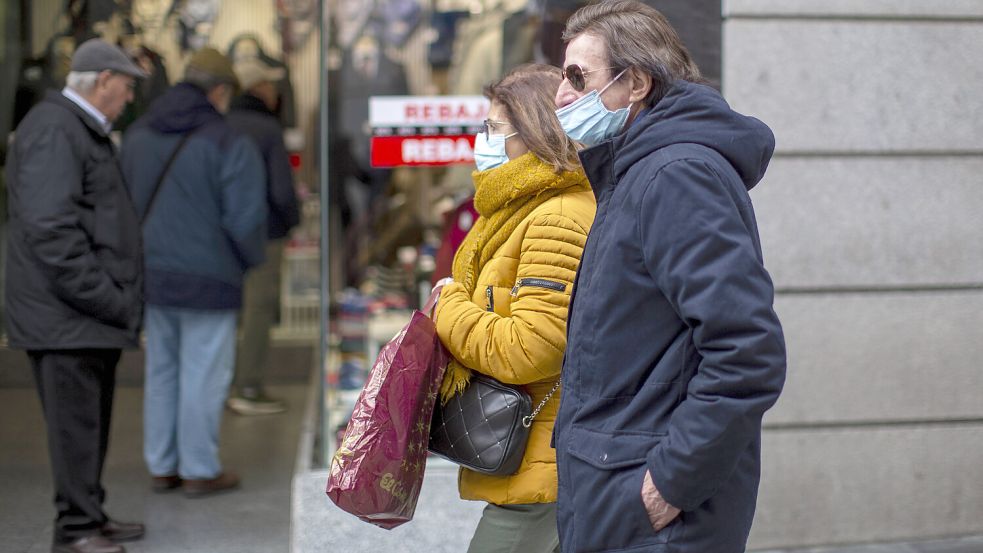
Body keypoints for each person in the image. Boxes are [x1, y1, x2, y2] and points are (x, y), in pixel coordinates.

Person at [551, 2, 787, 552]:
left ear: (634, 82)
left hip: (653, 515)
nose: (561, 95)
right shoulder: (636, 172)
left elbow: (746, 351)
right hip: (617, 494)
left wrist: (667, 487)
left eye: (577, 76)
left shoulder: (675, 175)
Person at [433, 64, 596, 553]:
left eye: (493, 129)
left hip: (542, 469)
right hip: (531, 469)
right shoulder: (515, 208)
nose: (481, 142)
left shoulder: (558, 215)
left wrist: (447, 306)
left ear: (535, 133)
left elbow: (532, 348)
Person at [4, 38, 146, 553]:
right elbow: (50, 231)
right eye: (127, 86)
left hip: (78, 315)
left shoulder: (74, 128)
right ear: (103, 80)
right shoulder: (56, 129)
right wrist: (106, 296)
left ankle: (89, 514)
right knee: (74, 430)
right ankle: (76, 530)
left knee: (87, 425)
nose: (129, 97)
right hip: (67, 315)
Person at [121, 48, 267, 497]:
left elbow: (122, 205)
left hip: (153, 275)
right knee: (204, 374)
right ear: (220, 91)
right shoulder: (228, 141)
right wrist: (246, 261)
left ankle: (163, 465)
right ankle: (200, 470)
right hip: (210, 277)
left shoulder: (139, 134)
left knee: (162, 370)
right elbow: (245, 220)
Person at [225, 56, 301, 415]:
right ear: (258, 89)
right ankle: (248, 386)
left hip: (221, 236)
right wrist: (291, 221)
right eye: (269, 85)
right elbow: (281, 189)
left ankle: (224, 382)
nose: (275, 91)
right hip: (264, 234)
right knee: (258, 308)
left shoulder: (219, 123)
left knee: (228, 311)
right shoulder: (266, 128)